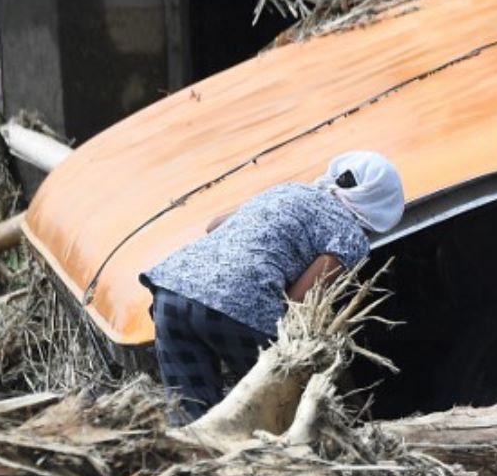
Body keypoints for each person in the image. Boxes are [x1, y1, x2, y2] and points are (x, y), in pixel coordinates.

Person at [142, 151, 405, 423]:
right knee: (288, 417)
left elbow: (215, 226)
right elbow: (296, 303)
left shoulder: (291, 191)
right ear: (380, 207)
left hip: (172, 289)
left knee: (189, 417)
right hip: (238, 305)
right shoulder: (350, 236)